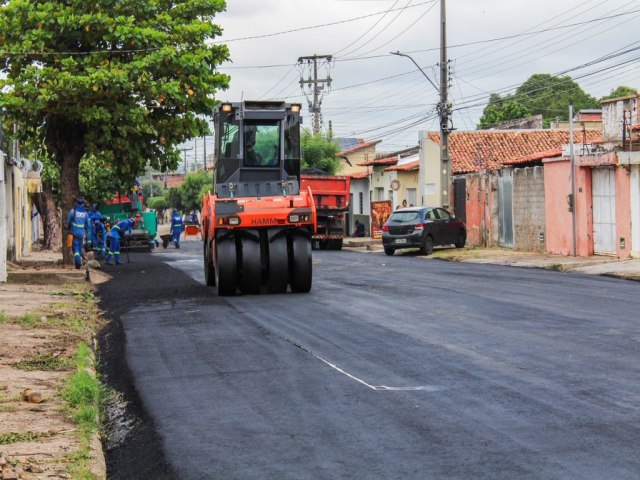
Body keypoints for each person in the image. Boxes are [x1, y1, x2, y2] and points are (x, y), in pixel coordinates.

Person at [66, 196, 90, 269]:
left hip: (74, 233)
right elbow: (88, 225)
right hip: (81, 234)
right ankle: (79, 262)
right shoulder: (85, 213)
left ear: (76, 203)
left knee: (75, 249)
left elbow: (68, 222)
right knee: (79, 249)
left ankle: (78, 263)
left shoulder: (73, 211)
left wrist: (68, 227)